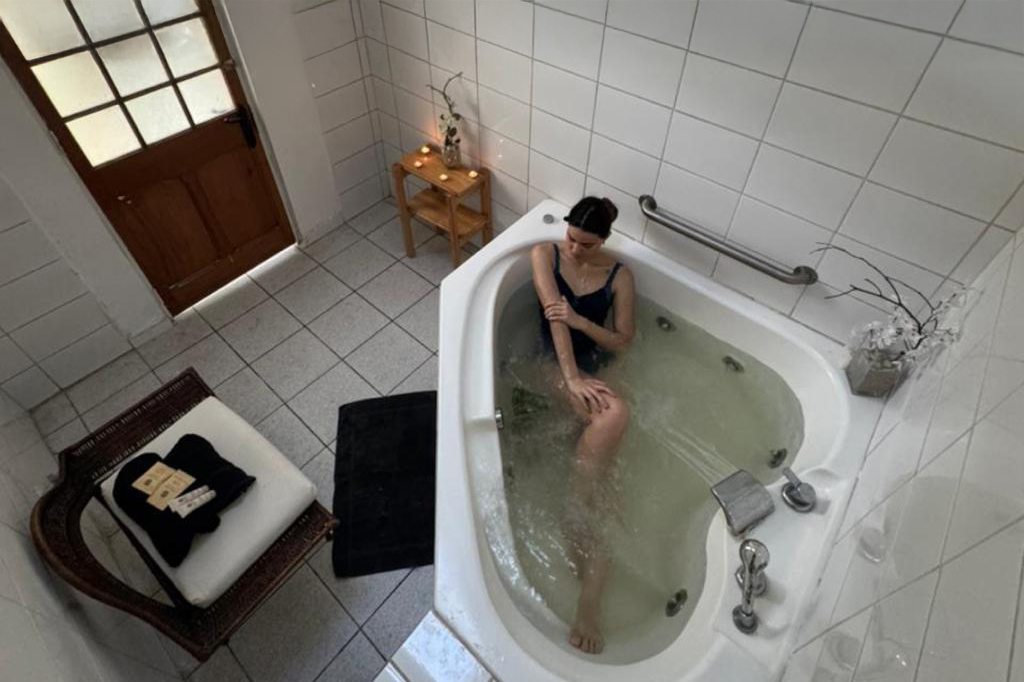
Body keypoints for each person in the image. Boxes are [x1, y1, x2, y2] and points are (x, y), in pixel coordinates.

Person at [530, 196, 635, 655]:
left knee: (611, 488)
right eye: (571, 238)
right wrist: (571, 378)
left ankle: (591, 594)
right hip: (552, 365)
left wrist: (582, 322)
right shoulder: (544, 254)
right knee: (616, 415)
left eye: (587, 245)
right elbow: (554, 320)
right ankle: (576, 502)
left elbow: (623, 342)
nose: (574, 250)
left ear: (605, 240)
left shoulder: (620, 276)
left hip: (597, 369)